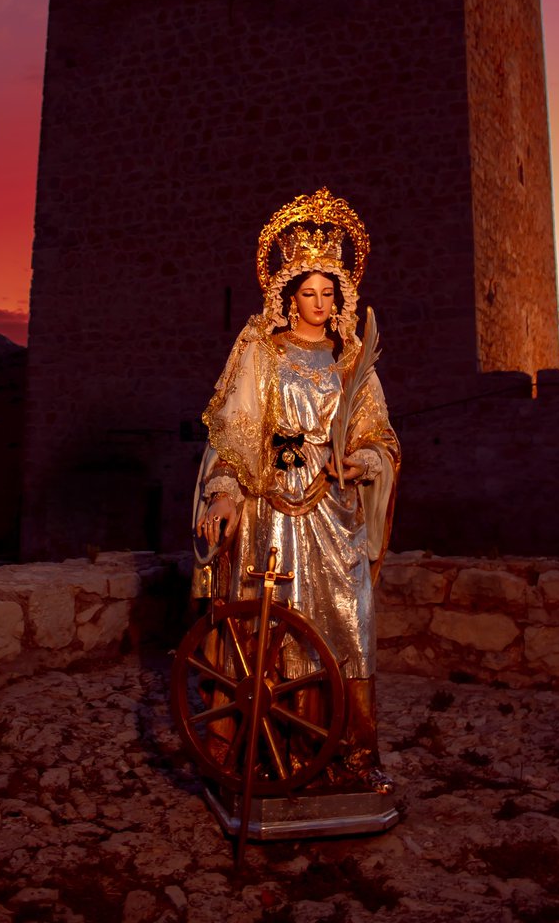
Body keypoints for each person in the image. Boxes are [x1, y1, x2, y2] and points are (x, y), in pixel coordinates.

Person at [192, 188, 400, 792]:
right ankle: (262, 752)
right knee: (270, 622)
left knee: (348, 624)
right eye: (306, 292)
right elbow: (234, 429)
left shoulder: (351, 362)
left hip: (334, 513)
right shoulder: (260, 350)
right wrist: (225, 490)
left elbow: (378, 436)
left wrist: (361, 461)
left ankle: (348, 757)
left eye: (327, 293)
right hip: (271, 510)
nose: (317, 302)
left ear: (341, 296)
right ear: (288, 294)